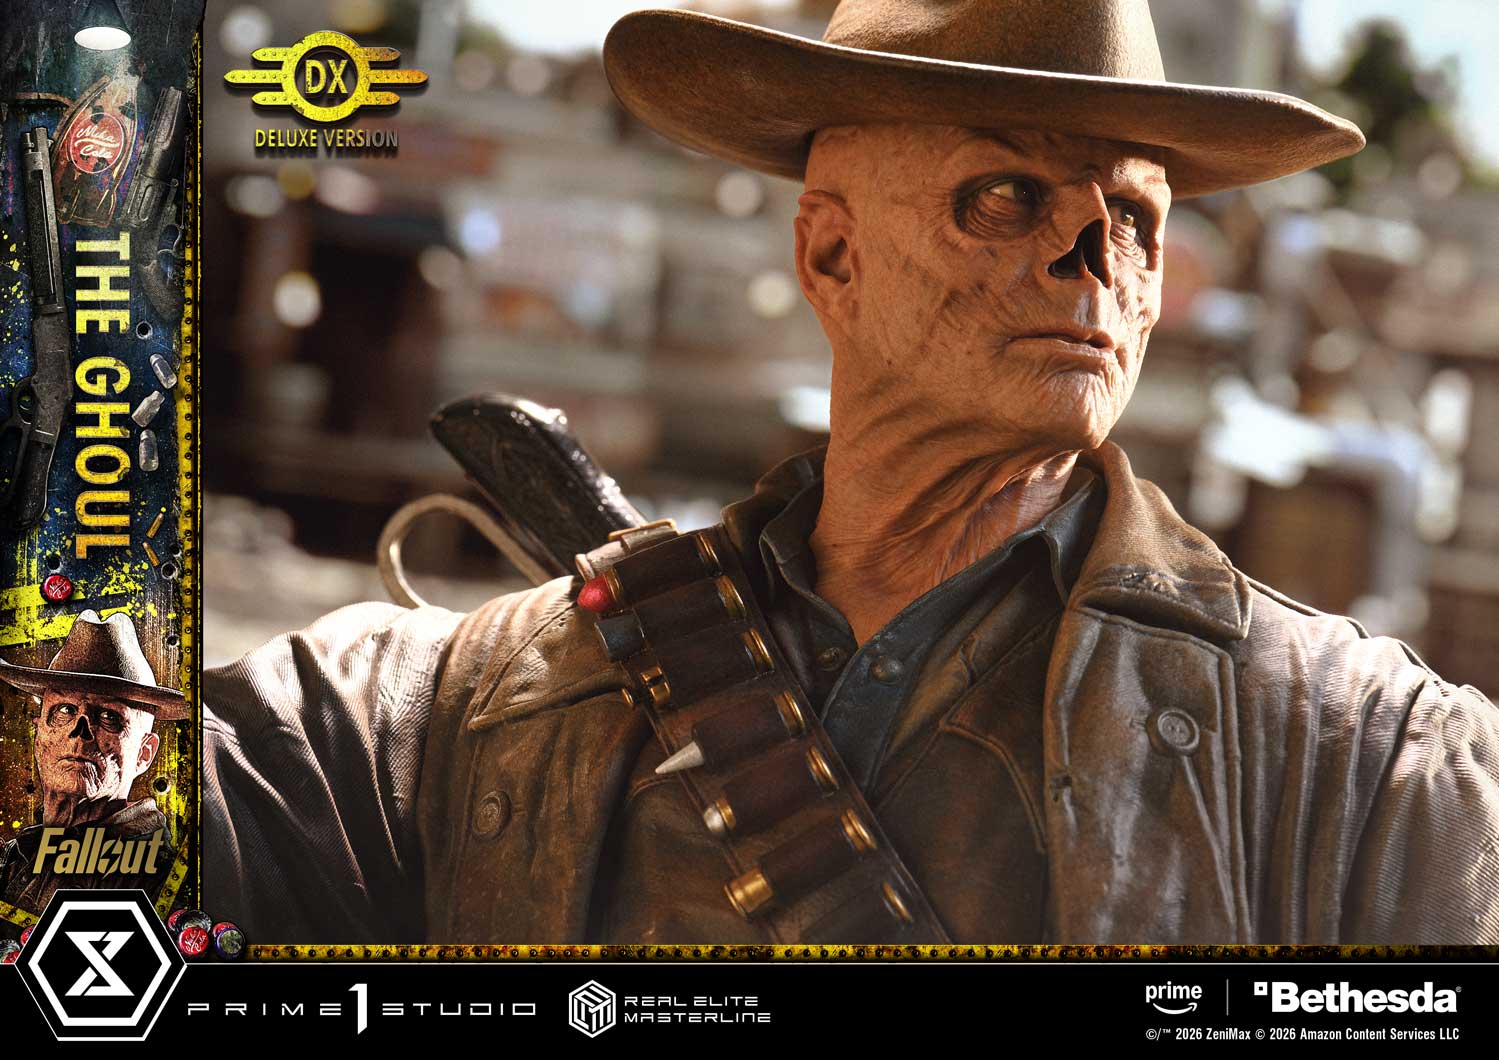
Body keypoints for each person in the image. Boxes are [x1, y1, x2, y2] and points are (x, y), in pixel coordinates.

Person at [203, 0, 1499, 944]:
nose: (1091, 259)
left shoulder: (1365, 764)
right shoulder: (436, 714)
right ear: (829, 256)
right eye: (1005, 194)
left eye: (1135, 220)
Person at [0, 611, 185, 921]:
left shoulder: (162, 879)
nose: (80, 732)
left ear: (144, 753)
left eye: (109, 717)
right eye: (64, 710)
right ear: (39, 734)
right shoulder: (17, 856)